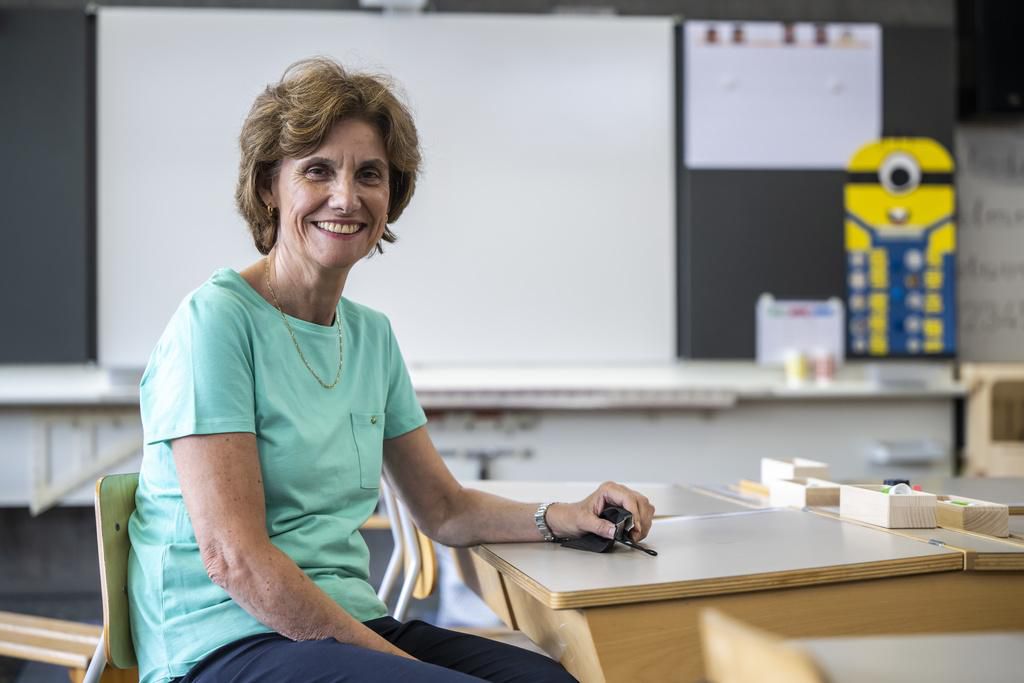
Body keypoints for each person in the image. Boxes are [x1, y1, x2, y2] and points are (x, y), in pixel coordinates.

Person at [127, 57, 655, 683]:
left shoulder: (370, 336)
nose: (346, 198)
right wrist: (401, 667)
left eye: (369, 174)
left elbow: (445, 509)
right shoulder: (215, 322)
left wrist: (565, 515)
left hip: (345, 624)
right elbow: (233, 559)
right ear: (269, 186)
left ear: (391, 195)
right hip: (224, 644)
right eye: (317, 170)